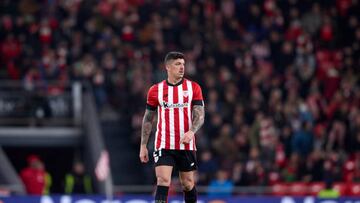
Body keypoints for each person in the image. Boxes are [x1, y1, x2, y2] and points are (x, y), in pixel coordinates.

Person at [139, 51, 205, 203]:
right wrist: (143, 145)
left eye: (183, 64)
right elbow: (148, 118)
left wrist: (191, 131)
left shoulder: (193, 88)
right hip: (164, 143)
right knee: (163, 180)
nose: (182, 68)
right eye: (177, 64)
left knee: (187, 184)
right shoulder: (156, 90)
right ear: (168, 67)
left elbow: (200, 116)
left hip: (186, 144)